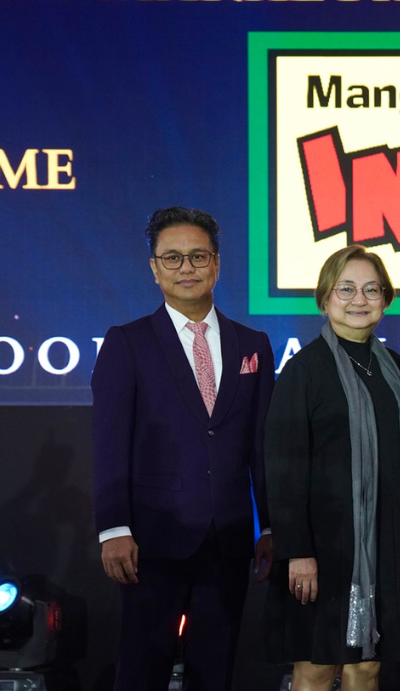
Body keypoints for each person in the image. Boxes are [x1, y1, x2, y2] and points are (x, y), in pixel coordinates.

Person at [92, 207, 276, 691]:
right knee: (142, 670)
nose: (186, 267)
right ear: (154, 269)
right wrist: (114, 528)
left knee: (215, 671)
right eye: (172, 258)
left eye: (198, 256)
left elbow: (261, 444)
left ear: (217, 264)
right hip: (152, 539)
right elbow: (109, 443)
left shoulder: (253, 344)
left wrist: (270, 525)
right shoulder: (127, 343)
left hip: (229, 538)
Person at [263, 245, 400, 690]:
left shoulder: (398, 369)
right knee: (316, 667)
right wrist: (298, 552)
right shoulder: (303, 370)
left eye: (372, 289)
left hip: (385, 542)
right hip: (322, 549)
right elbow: (284, 468)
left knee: (367, 668)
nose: (359, 300)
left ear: (386, 299)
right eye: (346, 289)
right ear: (325, 298)